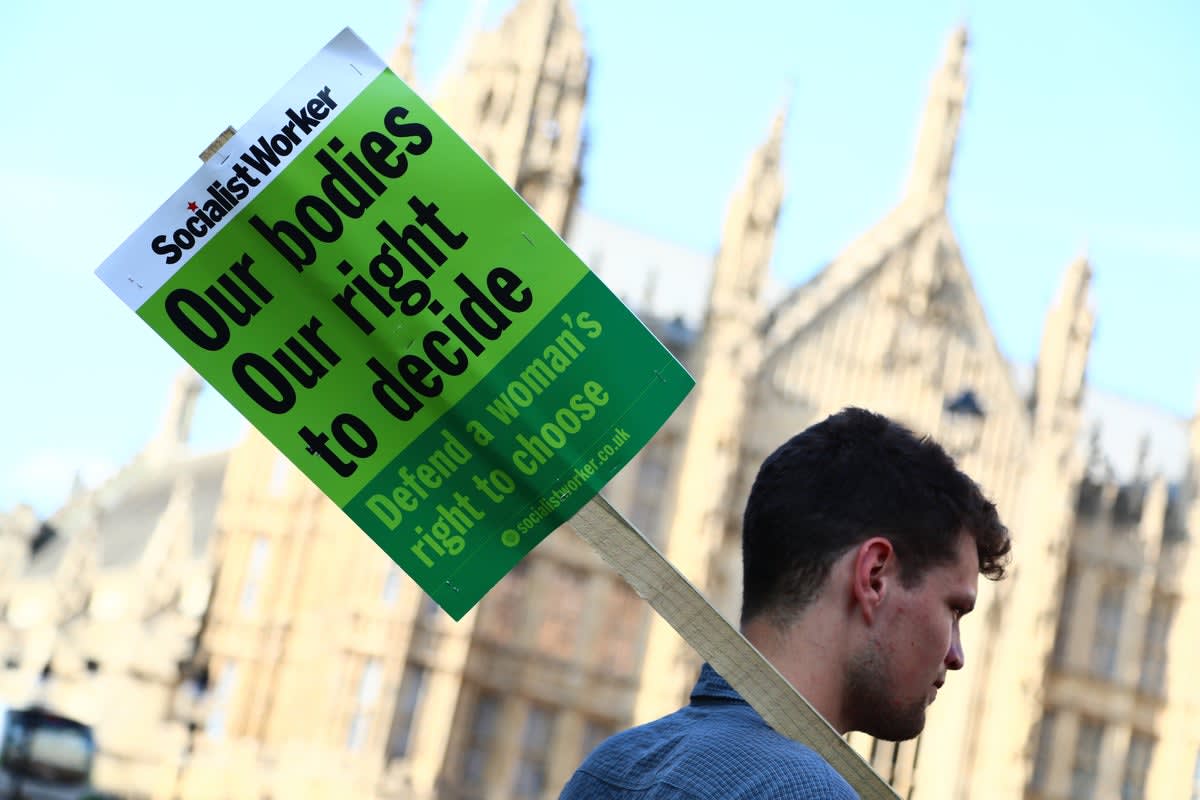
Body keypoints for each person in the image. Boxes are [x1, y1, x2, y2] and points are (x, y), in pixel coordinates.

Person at [560, 407, 1011, 798]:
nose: (956, 655)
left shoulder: (608, 766)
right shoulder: (810, 792)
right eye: (954, 610)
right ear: (874, 576)